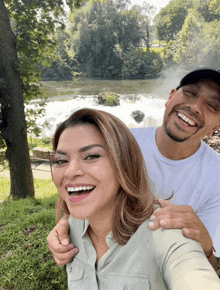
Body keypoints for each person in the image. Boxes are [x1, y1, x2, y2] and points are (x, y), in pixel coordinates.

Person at [47, 68, 220, 271]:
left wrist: (206, 247)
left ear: (217, 127)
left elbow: (208, 264)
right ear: (171, 96)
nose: (195, 106)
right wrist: (65, 226)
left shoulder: (216, 177)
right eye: (190, 93)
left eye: (212, 106)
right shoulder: (121, 142)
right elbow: (81, 187)